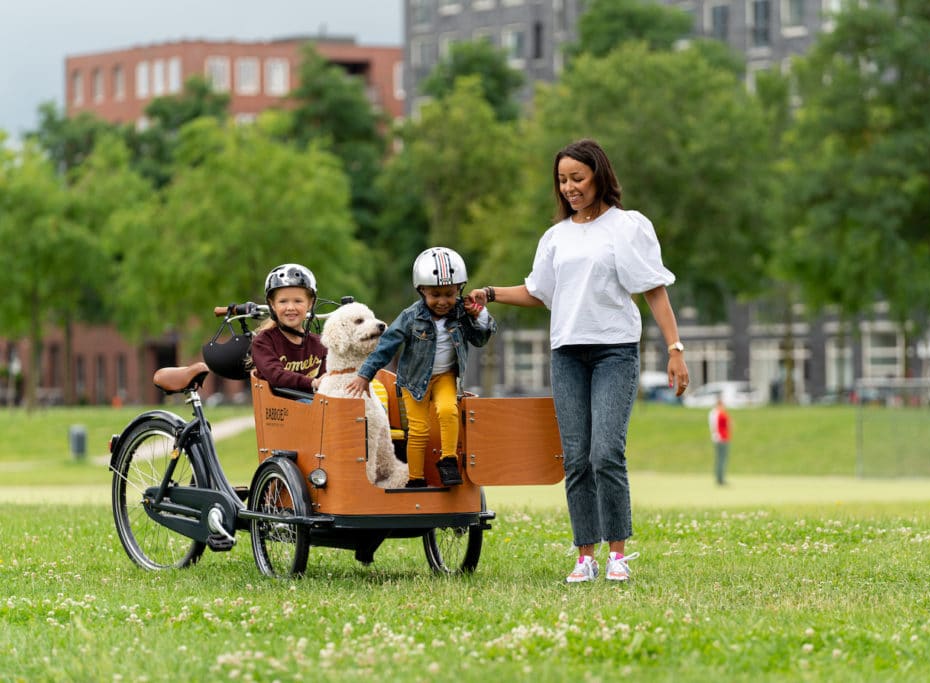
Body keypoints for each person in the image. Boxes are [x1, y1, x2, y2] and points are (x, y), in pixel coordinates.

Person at [468, 138, 688, 583]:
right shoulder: (556, 237)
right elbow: (538, 292)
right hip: (567, 353)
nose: (569, 187)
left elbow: (653, 290)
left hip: (614, 351)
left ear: (599, 176)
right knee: (576, 459)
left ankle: (618, 555)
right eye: (563, 180)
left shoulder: (628, 227)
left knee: (606, 451)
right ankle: (585, 555)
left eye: (578, 178)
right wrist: (490, 293)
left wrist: (675, 349)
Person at [347, 247, 496, 489]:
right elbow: (386, 345)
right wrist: (365, 375)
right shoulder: (410, 317)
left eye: (449, 294)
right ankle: (415, 478)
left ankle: (448, 461)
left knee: (449, 411)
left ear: (460, 289)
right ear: (421, 290)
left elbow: (480, 339)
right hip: (413, 381)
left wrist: (479, 316)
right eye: (435, 295)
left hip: (445, 377)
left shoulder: (461, 314)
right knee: (418, 430)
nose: (443, 301)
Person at [250, 263, 326, 394]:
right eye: (283, 301)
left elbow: (328, 376)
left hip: (316, 407)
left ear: (310, 303)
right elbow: (276, 376)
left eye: (298, 301)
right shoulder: (264, 342)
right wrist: (313, 382)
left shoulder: (320, 344)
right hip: (280, 409)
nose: (290, 307)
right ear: (272, 304)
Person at [709, 396, 731, 486]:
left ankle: (719, 478)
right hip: (722, 438)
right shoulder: (720, 413)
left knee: (719, 459)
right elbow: (728, 423)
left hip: (717, 437)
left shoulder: (713, 413)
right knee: (722, 459)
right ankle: (720, 479)